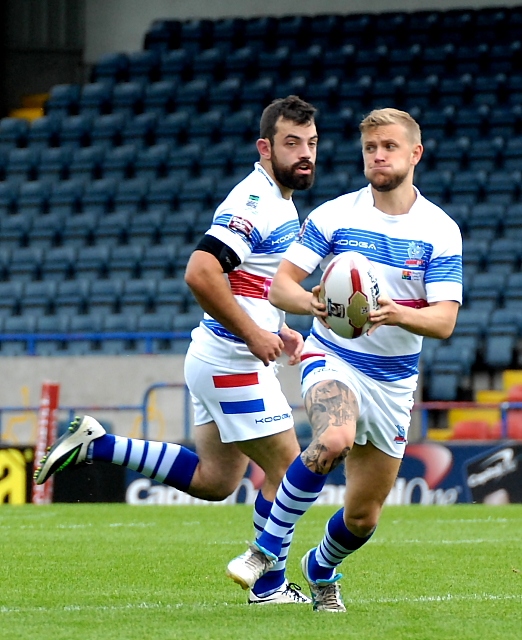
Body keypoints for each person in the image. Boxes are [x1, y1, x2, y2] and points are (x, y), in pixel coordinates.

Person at [34, 95, 319, 605]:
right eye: (291, 143)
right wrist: (254, 335)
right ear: (265, 147)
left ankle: (98, 446)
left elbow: (247, 282)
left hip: (216, 355)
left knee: (214, 481)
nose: (305, 154)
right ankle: (271, 586)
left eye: (312, 143)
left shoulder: (278, 199)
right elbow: (201, 271)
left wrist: (276, 327)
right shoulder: (253, 202)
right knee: (291, 470)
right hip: (234, 361)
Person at [226, 107, 463, 612]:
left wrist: (396, 314)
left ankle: (320, 568)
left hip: (394, 381)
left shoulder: (440, 230)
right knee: (333, 437)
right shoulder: (334, 215)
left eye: (389, 147)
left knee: (363, 517)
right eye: (370, 149)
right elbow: (280, 284)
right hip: (333, 356)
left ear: (415, 154)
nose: (378, 156)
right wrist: (310, 301)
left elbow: (444, 321)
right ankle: (265, 552)